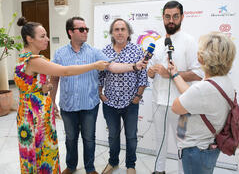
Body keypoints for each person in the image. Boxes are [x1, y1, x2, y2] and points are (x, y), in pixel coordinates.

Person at [50, 17, 146, 174]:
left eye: (86, 29)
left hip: (90, 105)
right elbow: (54, 77)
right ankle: (71, 166)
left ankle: (90, 168)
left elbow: (112, 67)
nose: (85, 32)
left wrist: (134, 67)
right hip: (68, 105)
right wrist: (52, 100)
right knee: (70, 139)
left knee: (89, 140)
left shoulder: (95, 52)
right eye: (81, 29)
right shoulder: (60, 53)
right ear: (70, 32)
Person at [14, 17, 109, 174]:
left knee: (38, 152)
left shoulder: (25, 57)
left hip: (31, 111)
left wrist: (44, 88)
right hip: (35, 116)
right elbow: (65, 71)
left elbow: (29, 83)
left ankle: (89, 167)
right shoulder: (33, 60)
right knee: (41, 152)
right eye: (42, 36)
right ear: (29, 39)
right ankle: (68, 166)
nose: (47, 39)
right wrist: (94, 65)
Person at [147, 1, 203, 174]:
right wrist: (151, 71)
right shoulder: (156, 43)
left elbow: (198, 73)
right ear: (163, 17)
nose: (171, 20)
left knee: (182, 145)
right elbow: (151, 72)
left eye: (175, 16)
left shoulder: (189, 41)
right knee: (160, 141)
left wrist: (170, 74)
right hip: (158, 103)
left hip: (182, 106)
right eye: (167, 16)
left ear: (182, 17)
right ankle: (159, 170)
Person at [169, 32, 236, 174]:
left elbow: (177, 107)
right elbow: (193, 97)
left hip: (196, 151)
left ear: (202, 58)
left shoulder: (203, 89)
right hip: (209, 147)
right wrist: (175, 74)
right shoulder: (223, 81)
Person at [99, 18, 149, 174]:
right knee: (113, 136)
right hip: (110, 102)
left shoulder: (137, 50)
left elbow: (143, 76)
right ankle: (113, 162)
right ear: (112, 33)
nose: (120, 32)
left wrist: (138, 96)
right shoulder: (105, 51)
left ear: (129, 33)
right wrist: (100, 93)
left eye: (123, 29)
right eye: (116, 29)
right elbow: (100, 75)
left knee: (131, 137)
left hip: (130, 103)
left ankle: (130, 165)